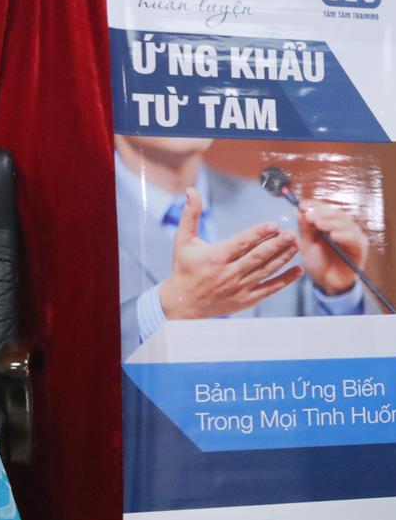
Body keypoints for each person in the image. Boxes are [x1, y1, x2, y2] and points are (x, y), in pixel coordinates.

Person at [115, 134, 377, 355]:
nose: (182, 101)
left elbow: (360, 367)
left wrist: (338, 292)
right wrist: (168, 306)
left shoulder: (277, 208)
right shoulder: (90, 214)